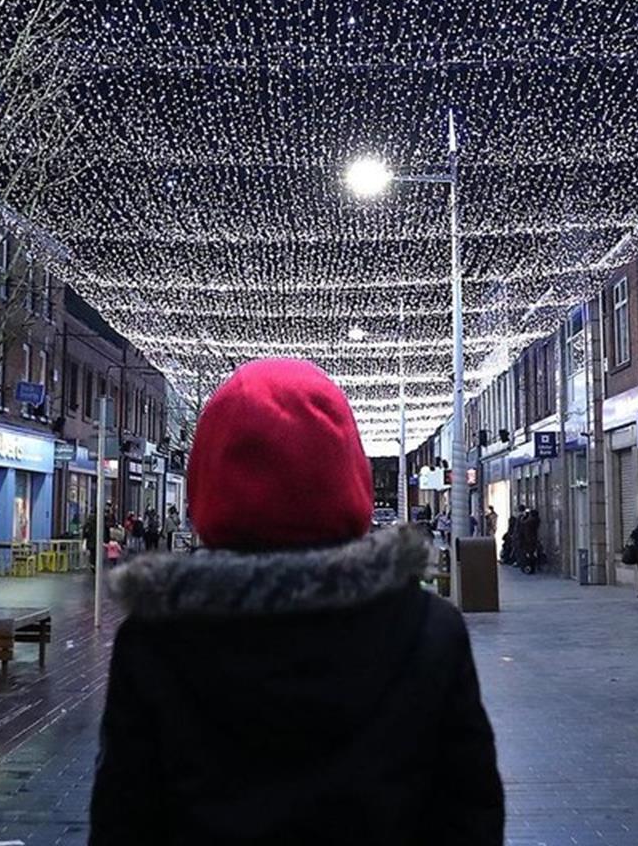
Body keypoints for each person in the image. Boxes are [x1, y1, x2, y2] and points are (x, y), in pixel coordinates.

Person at [91, 359, 503, 844]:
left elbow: (124, 819)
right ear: (350, 474)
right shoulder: (429, 630)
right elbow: (468, 815)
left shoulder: (156, 638)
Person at [524, 508, 542, 574]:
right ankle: (533, 566)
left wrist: (525, 517)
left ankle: (530, 567)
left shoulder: (530, 521)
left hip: (529, 539)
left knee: (529, 554)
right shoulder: (537, 520)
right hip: (534, 538)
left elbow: (523, 523)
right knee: (533, 553)